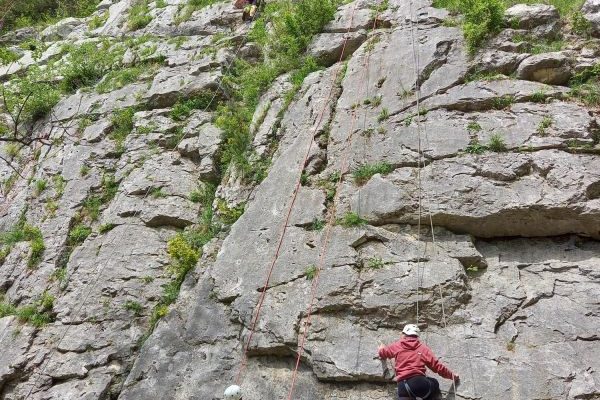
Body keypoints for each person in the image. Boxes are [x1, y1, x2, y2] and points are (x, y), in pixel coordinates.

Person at [378, 324, 460, 400]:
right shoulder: (422, 348)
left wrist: (382, 349)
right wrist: (452, 376)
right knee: (434, 383)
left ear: (404, 334)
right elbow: (437, 366)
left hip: (402, 387)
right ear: (417, 336)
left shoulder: (397, 346)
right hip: (419, 383)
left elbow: (383, 353)